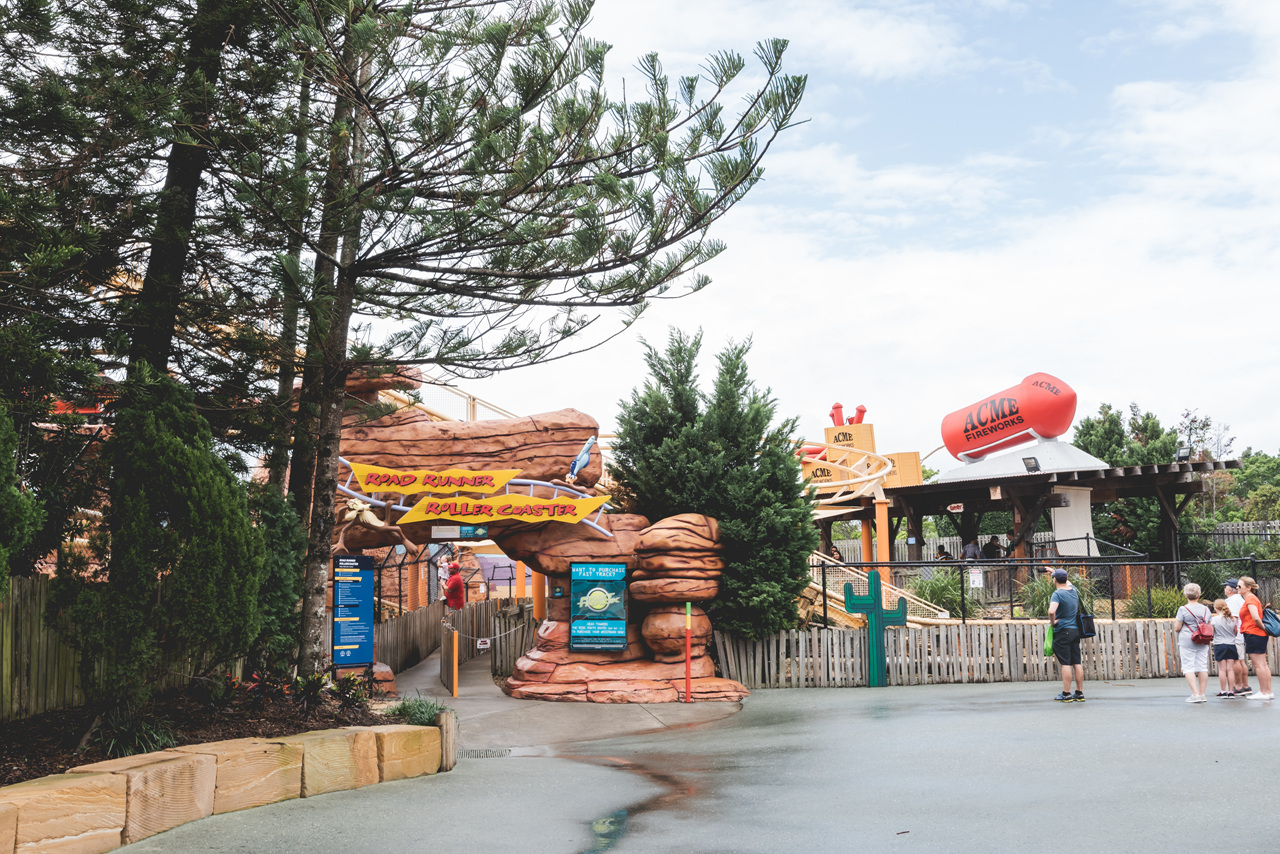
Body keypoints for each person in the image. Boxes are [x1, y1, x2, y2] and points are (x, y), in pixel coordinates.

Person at [1047, 569, 1085, 702]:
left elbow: (1051, 611)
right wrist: (1055, 571)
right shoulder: (1074, 590)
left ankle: (1066, 693)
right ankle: (1079, 693)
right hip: (1075, 631)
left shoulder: (1057, 594)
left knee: (1065, 663)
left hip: (1063, 631)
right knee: (1077, 662)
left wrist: (1053, 623)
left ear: (1055, 580)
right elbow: (1068, 582)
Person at [1173, 583, 1212, 703]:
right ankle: (1202, 693)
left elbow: (1177, 628)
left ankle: (1195, 694)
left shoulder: (1183, 609)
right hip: (1203, 640)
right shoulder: (1206, 609)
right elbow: (1208, 625)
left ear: (1185, 595)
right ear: (1199, 595)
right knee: (1202, 666)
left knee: (1188, 666)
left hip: (1188, 640)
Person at [1236, 576, 1273, 700]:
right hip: (1257, 634)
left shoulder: (1250, 599)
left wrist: (1264, 628)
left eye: (1239, 586)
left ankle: (1263, 692)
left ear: (1248, 587)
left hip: (1253, 633)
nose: (1237, 588)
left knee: (1259, 665)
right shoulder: (1252, 598)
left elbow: (1256, 617)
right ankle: (1268, 691)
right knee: (1263, 664)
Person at [1223, 579, 1251, 695]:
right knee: (1240, 660)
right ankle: (1245, 685)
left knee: (1236, 660)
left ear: (1230, 589)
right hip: (1241, 633)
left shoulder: (1233, 600)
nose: (1224, 589)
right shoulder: (1239, 599)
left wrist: (1230, 633)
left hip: (1235, 634)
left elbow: (1234, 618)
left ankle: (1238, 686)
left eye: (1225, 587)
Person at [1210, 599, 1240, 698]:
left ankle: (1223, 691)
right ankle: (1231, 691)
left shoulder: (1214, 619)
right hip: (1231, 645)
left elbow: (1212, 633)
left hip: (1219, 644)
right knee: (1230, 669)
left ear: (1216, 608)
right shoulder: (1233, 619)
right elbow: (1235, 633)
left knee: (1222, 670)